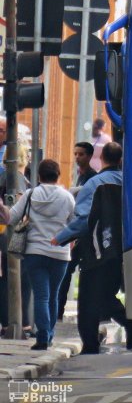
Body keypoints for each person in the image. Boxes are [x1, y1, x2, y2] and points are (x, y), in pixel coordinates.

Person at [52, 142, 132, 354]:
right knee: (106, 295)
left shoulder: (95, 184)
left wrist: (61, 237)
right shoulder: (131, 184)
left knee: (89, 300)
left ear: (101, 159)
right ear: (120, 160)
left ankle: (91, 344)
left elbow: (84, 219)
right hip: (126, 250)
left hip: (97, 249)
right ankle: (130, 323)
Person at [0, 159, 75, 350]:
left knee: (41, 296)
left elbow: (11, 218)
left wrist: (2, 208)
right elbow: (74, 225)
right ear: (58, 175)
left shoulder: (30, 194)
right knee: (53, 295)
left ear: (39, 176)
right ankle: (49, 335)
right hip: (60, 253)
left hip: (35, 252)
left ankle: (43, 337)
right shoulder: (67, 197)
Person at [57, 142, 98, 321]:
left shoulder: (92, 178)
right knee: (66, 272)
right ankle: (59, 309)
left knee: (73, 271)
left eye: (81, 154)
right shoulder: (80, 176)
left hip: (85, 233)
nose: (77, 158)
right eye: (75, 154)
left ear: (89, 156)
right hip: (78, 230)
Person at [0, 144, 34, 337]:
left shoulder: (3, 176)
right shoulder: (17, 178)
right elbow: (20, 208)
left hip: (3, 234)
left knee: (5, 280)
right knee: (22, 279)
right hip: (15, 235)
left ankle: (7, 322)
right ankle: (22, 323)